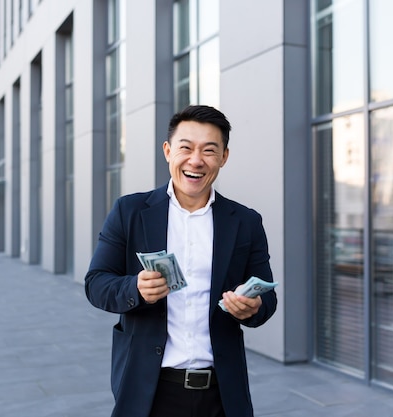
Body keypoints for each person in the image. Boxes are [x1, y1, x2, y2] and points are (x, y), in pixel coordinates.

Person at [85, 105, 277, 417]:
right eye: (185, 148)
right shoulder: (129, 212)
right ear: (168, 151)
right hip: (148, 391)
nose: (196, 160)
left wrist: (254, 307)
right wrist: (135, 288)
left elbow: (267, 299)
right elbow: (96, 284)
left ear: (224, 157)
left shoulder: (245, 222)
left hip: (222, 395)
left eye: (209, 150)